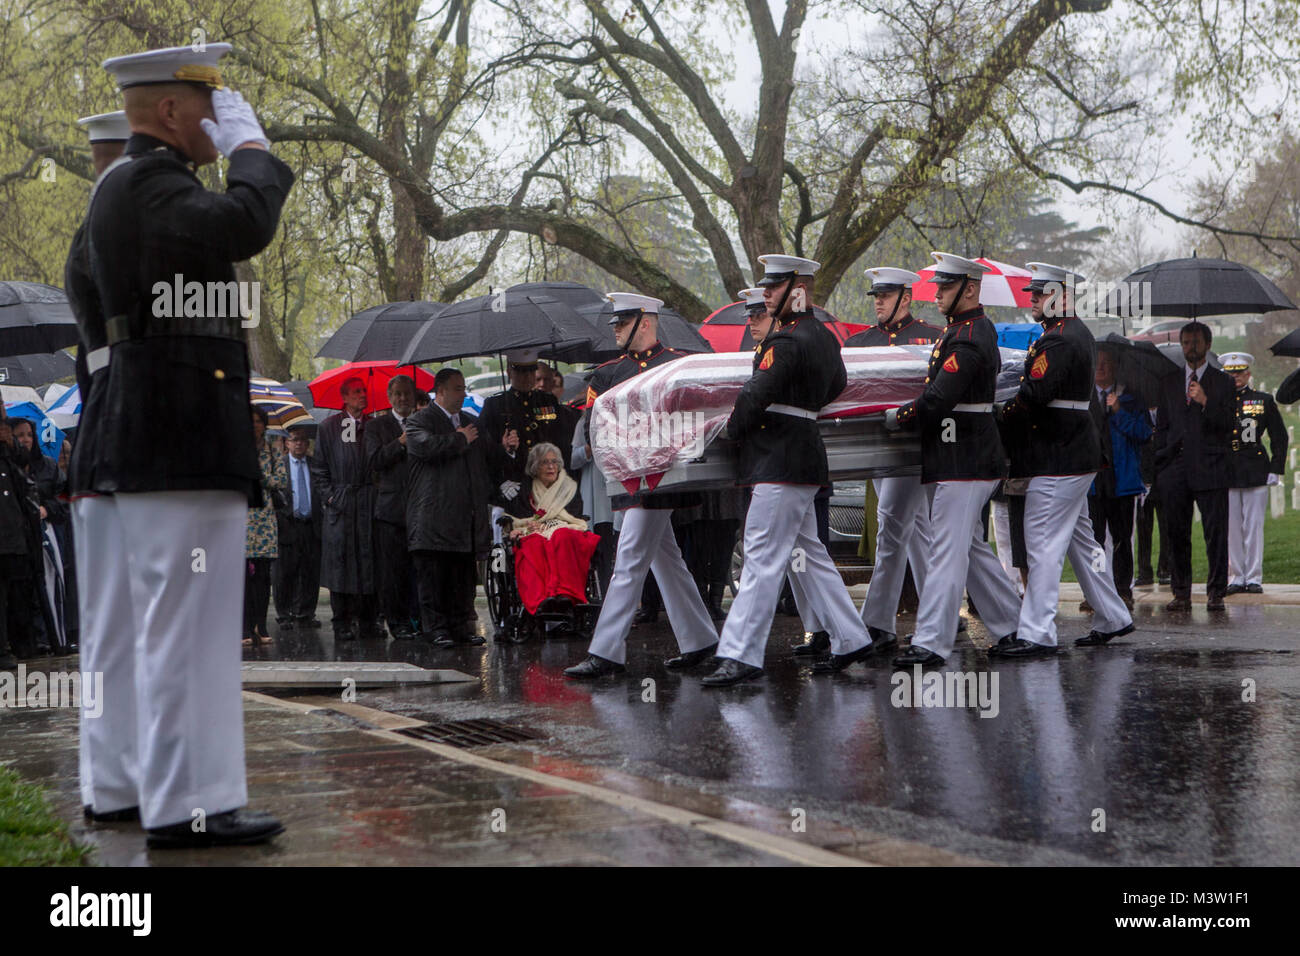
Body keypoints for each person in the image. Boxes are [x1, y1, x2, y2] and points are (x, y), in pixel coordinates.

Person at [80, 43, 291, 846]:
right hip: (178, 427)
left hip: (153, 428)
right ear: (171, 112)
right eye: (208, 102)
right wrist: (253, 152)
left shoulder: (129, 186)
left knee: (149, 627)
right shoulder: (151, 184)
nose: (219, 115)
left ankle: (130, 786)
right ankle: (190, 803)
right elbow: (245, 223)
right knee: (189, 631)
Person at [702, 255, 875, 686]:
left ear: (798, 289)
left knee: (760, 556)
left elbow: (753, 395)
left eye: (774, 287)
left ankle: (741, 654)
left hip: (776, 460)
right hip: (804, 456)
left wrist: (731, 432)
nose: (766, 294)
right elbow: (837, 385)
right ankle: (852, 638)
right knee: (810, 556)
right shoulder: (824, 337)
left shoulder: (787, 342)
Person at [564, 293, 720, 678]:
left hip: (663, 476)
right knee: (666, 560)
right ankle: (701, 641)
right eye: (615, 323)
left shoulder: (678, 366)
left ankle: (606, 652)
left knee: (630, 557)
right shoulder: (607, 374)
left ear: (645, 322)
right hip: (631, 475)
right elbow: (594, 428)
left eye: (622, 323)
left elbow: (695, 419)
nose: (615, 330)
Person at [885, 253, 1023, 667]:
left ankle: (932, 641)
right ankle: (1014, 628)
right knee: (970, 549)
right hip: (963, 456)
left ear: (970, 289)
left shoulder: (971, 335)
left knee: (945, 550)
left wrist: (901, 415)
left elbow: (941, 396)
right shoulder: (964, 331)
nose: (938, 293)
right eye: (939, 286)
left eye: (946, 287)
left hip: (965, 458)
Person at [991, 262, 1132, 656]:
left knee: (1042, 544)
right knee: (1081, 542)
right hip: (1071, 452)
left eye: (1040, 293)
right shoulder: (1066, 333)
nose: (1032, 299)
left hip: (1058, 456)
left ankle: (1037, 631)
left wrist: (997, 413)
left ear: (1062, 296)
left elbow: (1034, 394)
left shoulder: (1061, 338)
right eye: (1032, 293)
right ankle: (1113, 616)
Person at [841, 267, 944, 656]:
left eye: (886, 295)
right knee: (916, 534)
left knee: (892, 528)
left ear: (906, 297)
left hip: (914, 445)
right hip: (877, 447)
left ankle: (878, 622)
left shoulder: (932, 337)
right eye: (876, 296)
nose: (879, 303)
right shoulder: (859, 342)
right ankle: (939, 617)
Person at [406, 367, 510, 645]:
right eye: (457, 388)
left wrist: (505, 448)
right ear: (439, 391)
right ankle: (436, 628)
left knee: (461, 576)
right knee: (435, 576)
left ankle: (461, 626)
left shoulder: (469, 421)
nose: (463, 393)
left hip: (466, 515)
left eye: (464, 387)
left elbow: (487, 455)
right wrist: (459, 438)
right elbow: (426, 448)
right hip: (433, 516)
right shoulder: (419, 421)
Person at [1153, 321, 1234, 612]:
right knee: (1176, 532)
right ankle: (1181, 591)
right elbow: (1162, 425)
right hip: (1175, 468)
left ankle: (1216, 592)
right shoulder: (1170, 382)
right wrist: (1162, 459)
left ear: (1208, 345)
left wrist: (1205, 401)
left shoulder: (1222, 382)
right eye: (1186, 342)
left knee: (1215, 533)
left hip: (1210, 466)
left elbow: (1228, 425)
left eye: (1196, 342)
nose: (1191, 347)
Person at [313, 376, 381, 640]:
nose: (362, 395)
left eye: (364, 391)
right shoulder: (329, 427)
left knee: (369, 560)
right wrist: (332, 498)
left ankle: (369, 620)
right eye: (356, 392)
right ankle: (342, 621)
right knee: (340, 564)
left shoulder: (373, 426)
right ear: (344, 397)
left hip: (368, 502)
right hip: (341, 504)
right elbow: (319, 469)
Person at [1087, 344, 1153, 609]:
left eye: (1106, 362)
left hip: (1122, 480)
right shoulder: (1085, 399)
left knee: (1122, 539)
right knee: (1095, 541)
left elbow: (1144, 433)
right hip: (1094, 481)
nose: (1101, 367)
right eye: (1097, 362)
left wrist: (1118, 412)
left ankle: (1123, 589)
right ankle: (1095, 590)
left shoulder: (1131, 399)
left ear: (1114, 367)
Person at [504, 442, 601, 616]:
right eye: (545, 462)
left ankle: (566, 594)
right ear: (535, 467)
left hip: (565, 529)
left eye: (554, 462)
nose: (551, 467)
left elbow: (575, 518)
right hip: (534, 533)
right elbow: (519, 519)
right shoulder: (526, 489)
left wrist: (549, 525)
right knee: (534, 543)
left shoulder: (570, 488)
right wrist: (530, 526)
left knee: (561, 536)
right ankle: (541, 599)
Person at [1221, 351, 1288, 595]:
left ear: (1248, 373)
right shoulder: (1218, 401)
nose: (1236, 377)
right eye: (1230, 373)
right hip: (1227, 470)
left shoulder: (1263, 400)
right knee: (1232, 527)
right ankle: (1236, 576)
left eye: (1239, 372)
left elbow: (1279, 436)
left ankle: (1254, 576)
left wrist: (1276, 467)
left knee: (1253, 526)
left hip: (1255, 468)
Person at [365, 374, 419, 640]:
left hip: (420, 508)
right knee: (393, 570)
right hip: (390, 510)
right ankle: (396, 621)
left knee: (418, 568)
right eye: (397, 394)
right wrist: (399, 443)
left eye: (407, 393)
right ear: (389, 397)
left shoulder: (422, 422)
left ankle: (417, 618)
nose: (402, 398)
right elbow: (374, 460)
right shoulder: (377, 426)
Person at [479, 349, 569, 486]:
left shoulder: (548, 401)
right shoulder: (495, 405)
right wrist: (504, 449)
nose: (527, 377)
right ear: (509, 372)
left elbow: (562, 438)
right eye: (521, 371)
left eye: (531, 371)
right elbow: (484, 448)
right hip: (515, 479)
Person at [244, 406, 287, 646]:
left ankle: (260, 624)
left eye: (258, 421)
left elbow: (281, 480)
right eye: (250, 421)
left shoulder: (272, 451)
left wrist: (260, 476)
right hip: (241, 518)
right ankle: (244, 626)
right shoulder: (238, 450)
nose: (254, 425)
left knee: (262, 577)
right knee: (242, 577)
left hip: (265, 520)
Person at [274, 425, 323, 628]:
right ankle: (284, 614)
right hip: (289, 524)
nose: (299, 443)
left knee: (311, 572)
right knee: (285, 572)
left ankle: (305, 613)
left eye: (303, 440)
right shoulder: (280, 465)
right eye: (295, 440)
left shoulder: (315, 465)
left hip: (311, 525)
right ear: (287, 443)